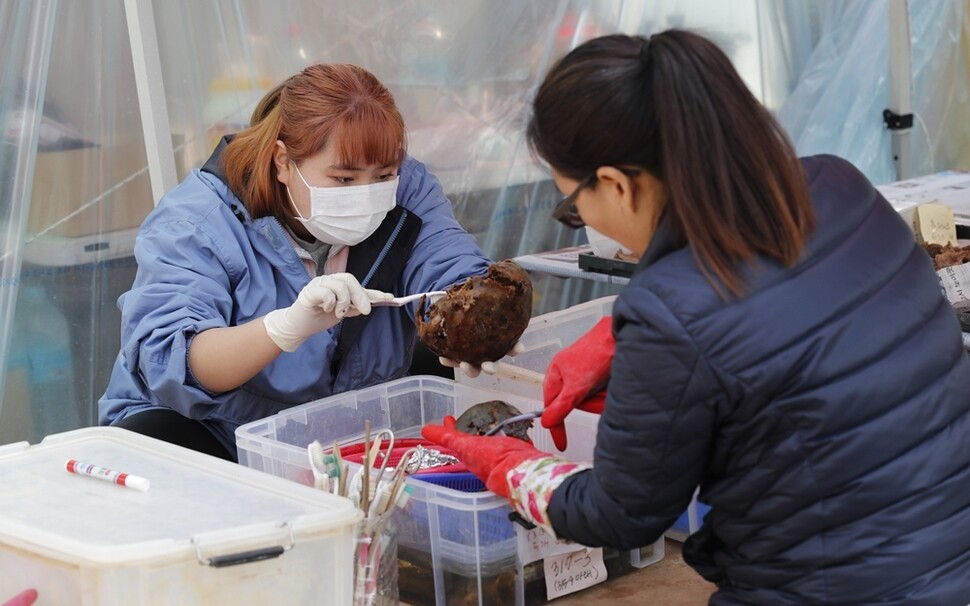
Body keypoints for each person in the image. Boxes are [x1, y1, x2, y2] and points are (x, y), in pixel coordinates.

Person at [422, 30, 970, 604]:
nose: (579, 216)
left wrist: (511, 466)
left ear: (615, 184)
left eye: (573, 202)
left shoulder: (670, 308)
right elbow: (801, 334)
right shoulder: (841, 185)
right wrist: (645, 357)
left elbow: (620, 517)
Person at [100, 63, 498, 461]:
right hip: (219, 431)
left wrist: (483, 311)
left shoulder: (406, 191)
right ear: (282, 162)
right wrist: (282, 329)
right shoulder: (197, 222)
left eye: (384, 175)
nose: (367, 194)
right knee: (155, 443)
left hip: (347, 430)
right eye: (343, 179)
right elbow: (177, 360)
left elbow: (447, 258)